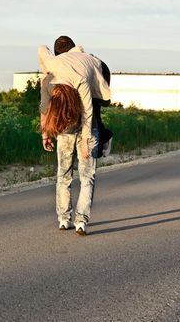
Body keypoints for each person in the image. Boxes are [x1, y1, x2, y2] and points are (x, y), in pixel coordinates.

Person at [38, 36, 111, 235]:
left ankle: (65, 219)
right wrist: (46, 134)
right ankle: (80, 221)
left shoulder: (50, 78)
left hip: (72, 131)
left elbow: (47, 110)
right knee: (87, 177)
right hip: (83, 129)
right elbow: (88, 111)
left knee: (64, 175)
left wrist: (46, 134)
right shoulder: (71, 74)